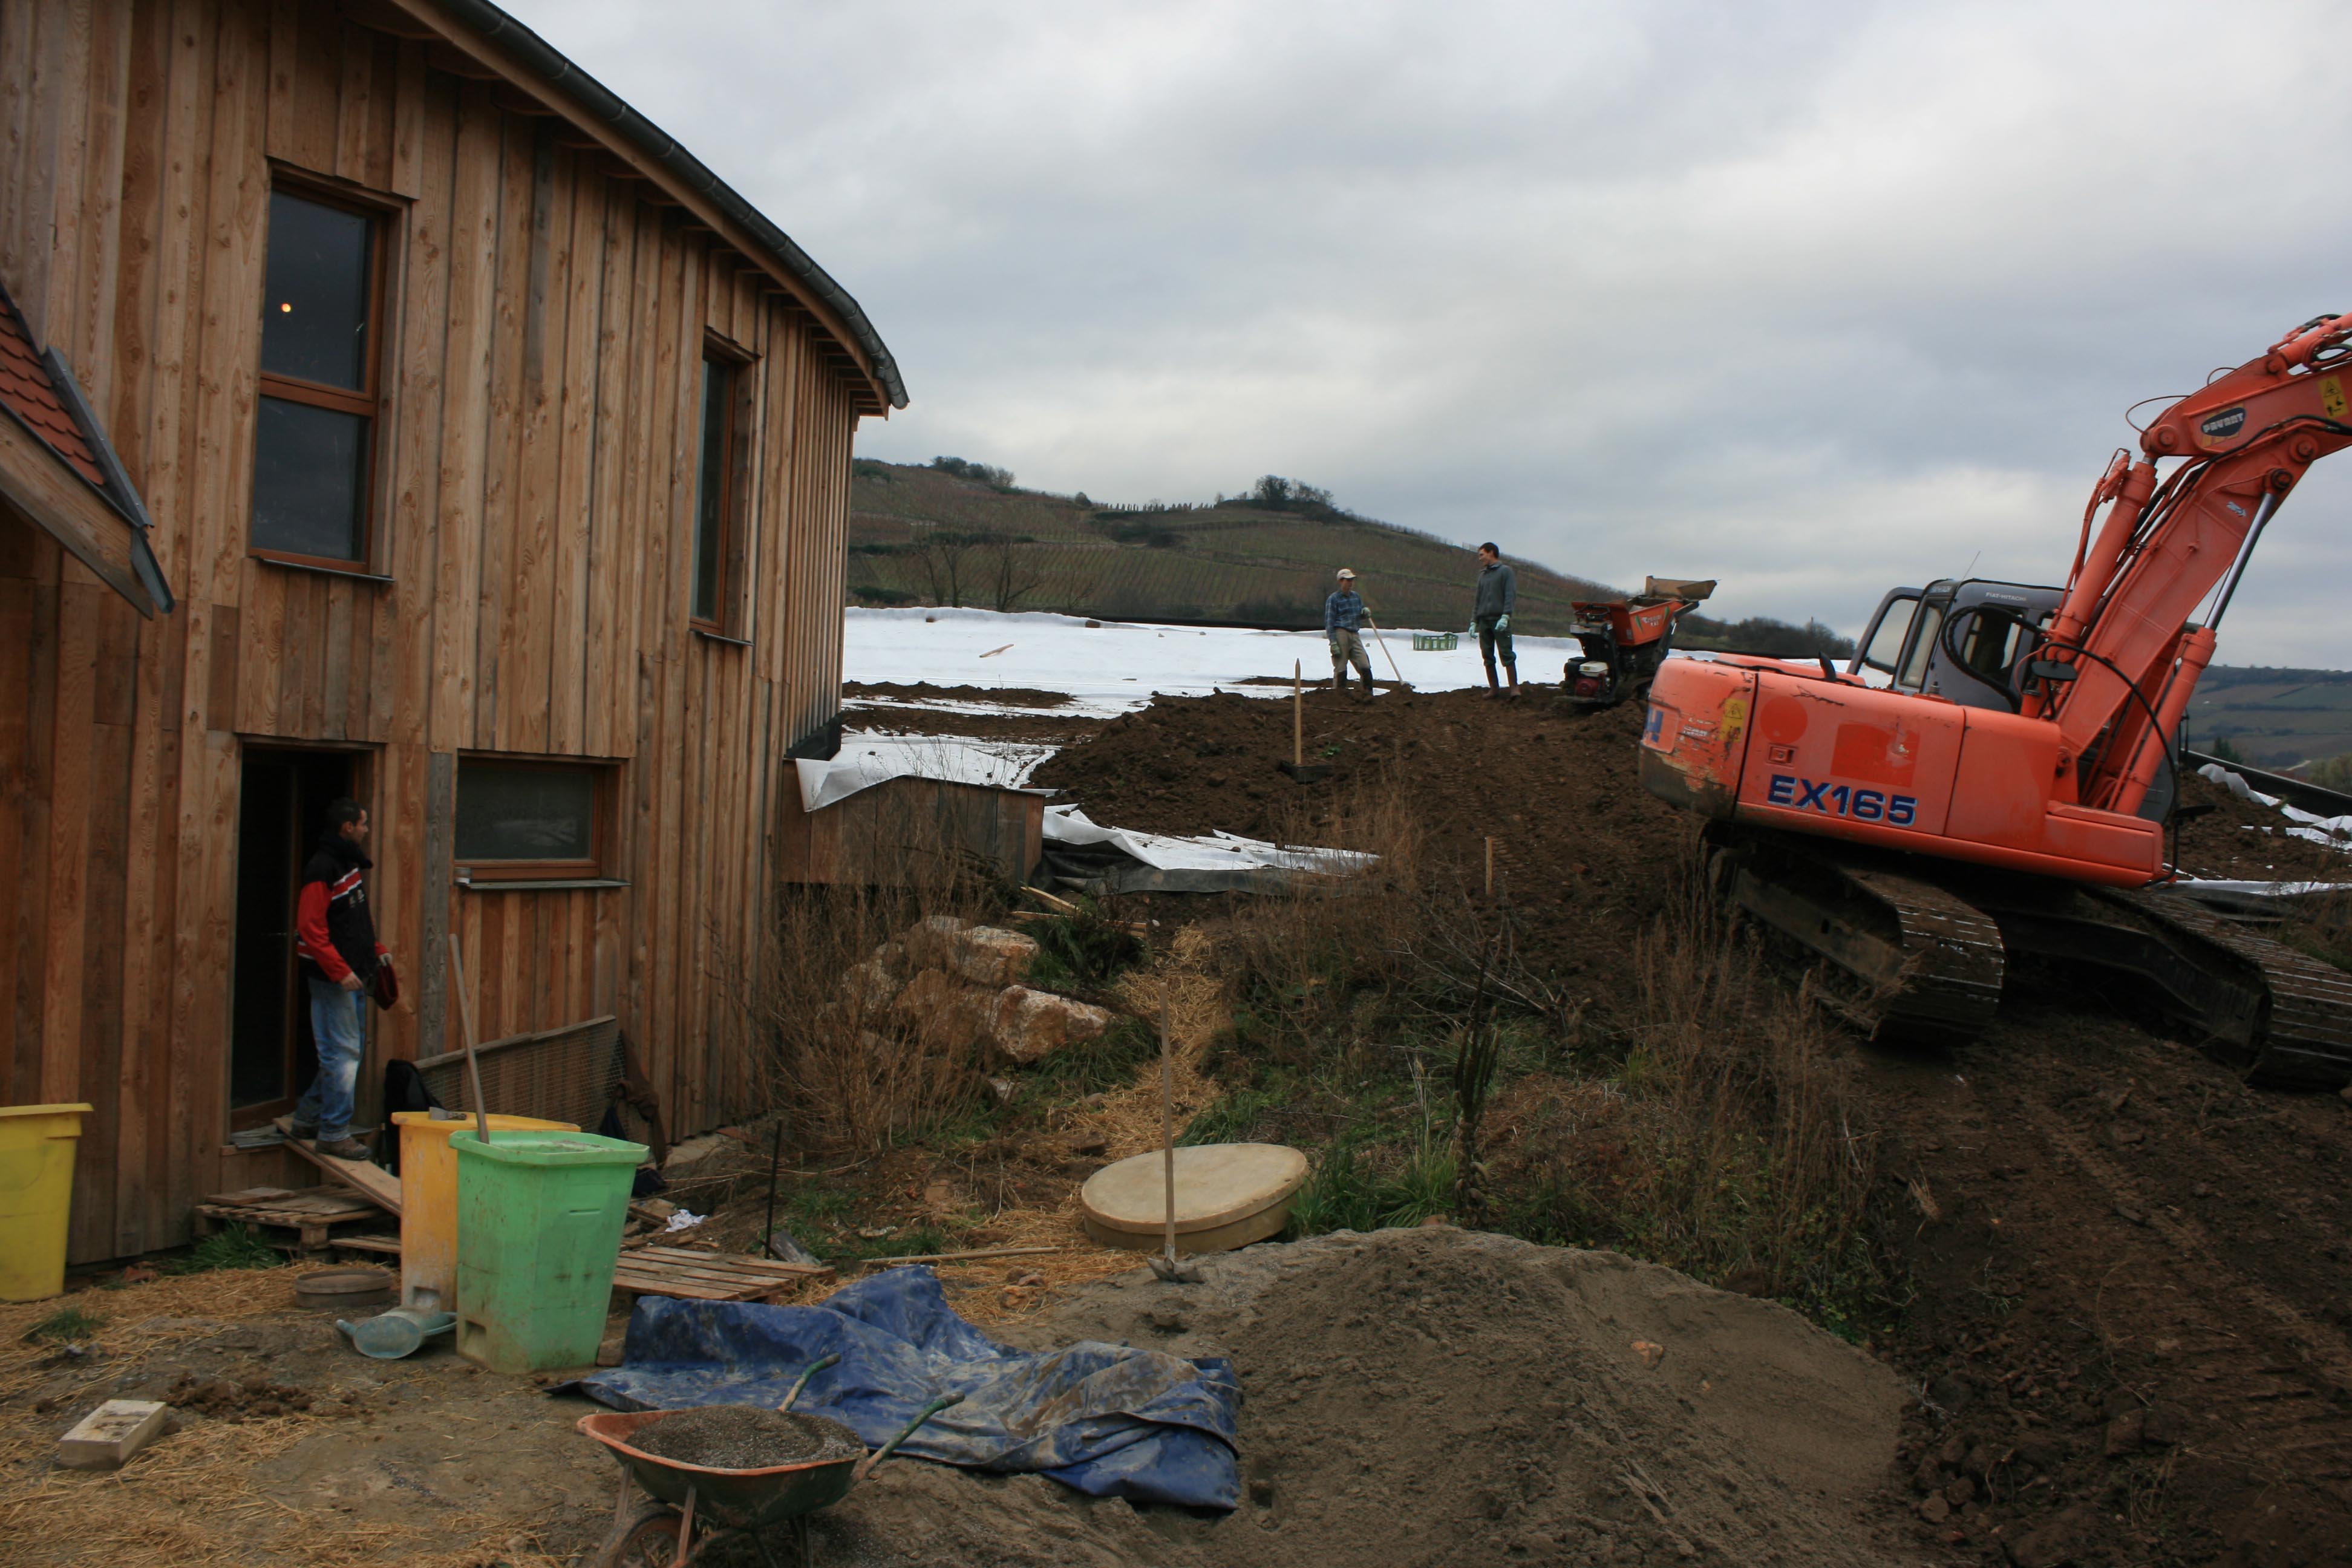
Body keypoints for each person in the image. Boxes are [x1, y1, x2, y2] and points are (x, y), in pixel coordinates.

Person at [291, 799, 391, 1159]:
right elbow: (310, 928)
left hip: (354, 970)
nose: (366, 830)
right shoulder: (322, 868)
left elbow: (355, 921)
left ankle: (307, 1118)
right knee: (343, 1054)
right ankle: (333, 1133)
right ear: (347, 827)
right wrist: (340, 970)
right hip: (333, 977)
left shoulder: (348, 864)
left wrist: (375, 949)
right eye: (363, 824)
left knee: (347, 1051)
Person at [1472, 542, 1519, 697]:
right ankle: (1494, 689)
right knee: (1487, 655)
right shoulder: (1482, 575)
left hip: (1499, 620)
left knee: (1506, 653)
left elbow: (1509, 595)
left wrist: (1506, 616)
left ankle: (1514, 689)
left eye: (1482, 554)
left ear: (1491, 553)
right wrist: (1474, 621)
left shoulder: (1505, 572)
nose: (1480, 558)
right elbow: (1478, 600)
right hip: (1484, 622)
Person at [1324, 567, 1375, 696]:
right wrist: (1333, 642)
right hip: (1341, 632)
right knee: (1341, 666)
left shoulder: (1356, 597)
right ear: (1341, 581)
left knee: (1365, 664)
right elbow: (1329, 622)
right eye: (1348, 580)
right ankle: (1339, 696)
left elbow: (1360, 613)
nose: (1350, 583)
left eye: (1352, 580)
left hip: (1354, 633)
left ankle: (1368, 694)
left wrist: (1364, 613)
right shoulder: (1334, 599)